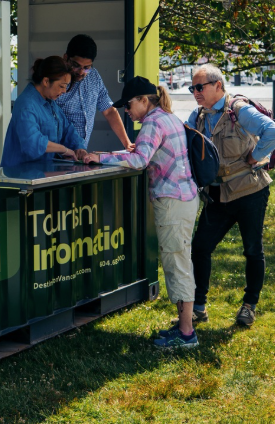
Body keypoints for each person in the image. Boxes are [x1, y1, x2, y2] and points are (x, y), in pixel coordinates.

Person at [90, 76, 200, 350]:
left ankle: (186, 334)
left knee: (176, 265)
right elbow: (145, 153)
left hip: (172, 202)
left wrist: (99, 157)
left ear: (143, 100)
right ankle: (184, 325)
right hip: (184, 198)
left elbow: (139, 160)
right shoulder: (168, 117)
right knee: (180, 260)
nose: (126, 111)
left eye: (128, 105)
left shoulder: (152, 122)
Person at [188, 64, 275, 328]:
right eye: (192, 88)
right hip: (216, 195)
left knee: (252, 250)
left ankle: (249, 306)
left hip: (249, 191)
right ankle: (198, 308)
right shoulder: (197, 116)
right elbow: (181, 139)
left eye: (200, 87)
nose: (195, 92)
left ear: (218, 86)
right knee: (200, 248)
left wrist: (256, 156)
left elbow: (274, 132)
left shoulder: (239, 110)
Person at [1, 56, 89, 166]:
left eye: (66, 87)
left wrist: (79, 147)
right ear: (46, 81)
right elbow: (32, 142)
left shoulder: (50, 103)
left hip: (42, 171)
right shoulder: (26, 104)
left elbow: (67, 129)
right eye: (61, 86)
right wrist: (63, 150)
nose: (64, 91)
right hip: (20, 172)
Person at [55, 35, 135, 152]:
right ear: (65, 58)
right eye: (76, 66)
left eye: (86, 67)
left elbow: (109, 111)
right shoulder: (55, 80)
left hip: (80, 152)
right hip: (56, 153)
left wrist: (127, 143)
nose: (81, 72)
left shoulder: (94, 76)